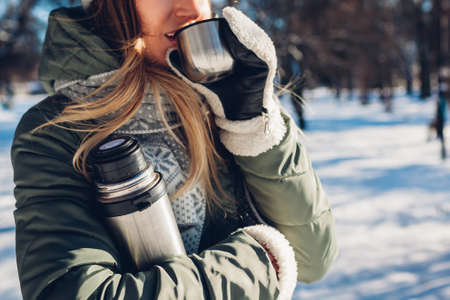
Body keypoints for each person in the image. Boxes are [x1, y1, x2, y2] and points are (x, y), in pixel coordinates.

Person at [11, 0, 338, 299]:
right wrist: (261, 262)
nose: (191, 10)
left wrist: (254, 128)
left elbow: (312, 258)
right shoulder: (60, 130)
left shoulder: (230, 102)